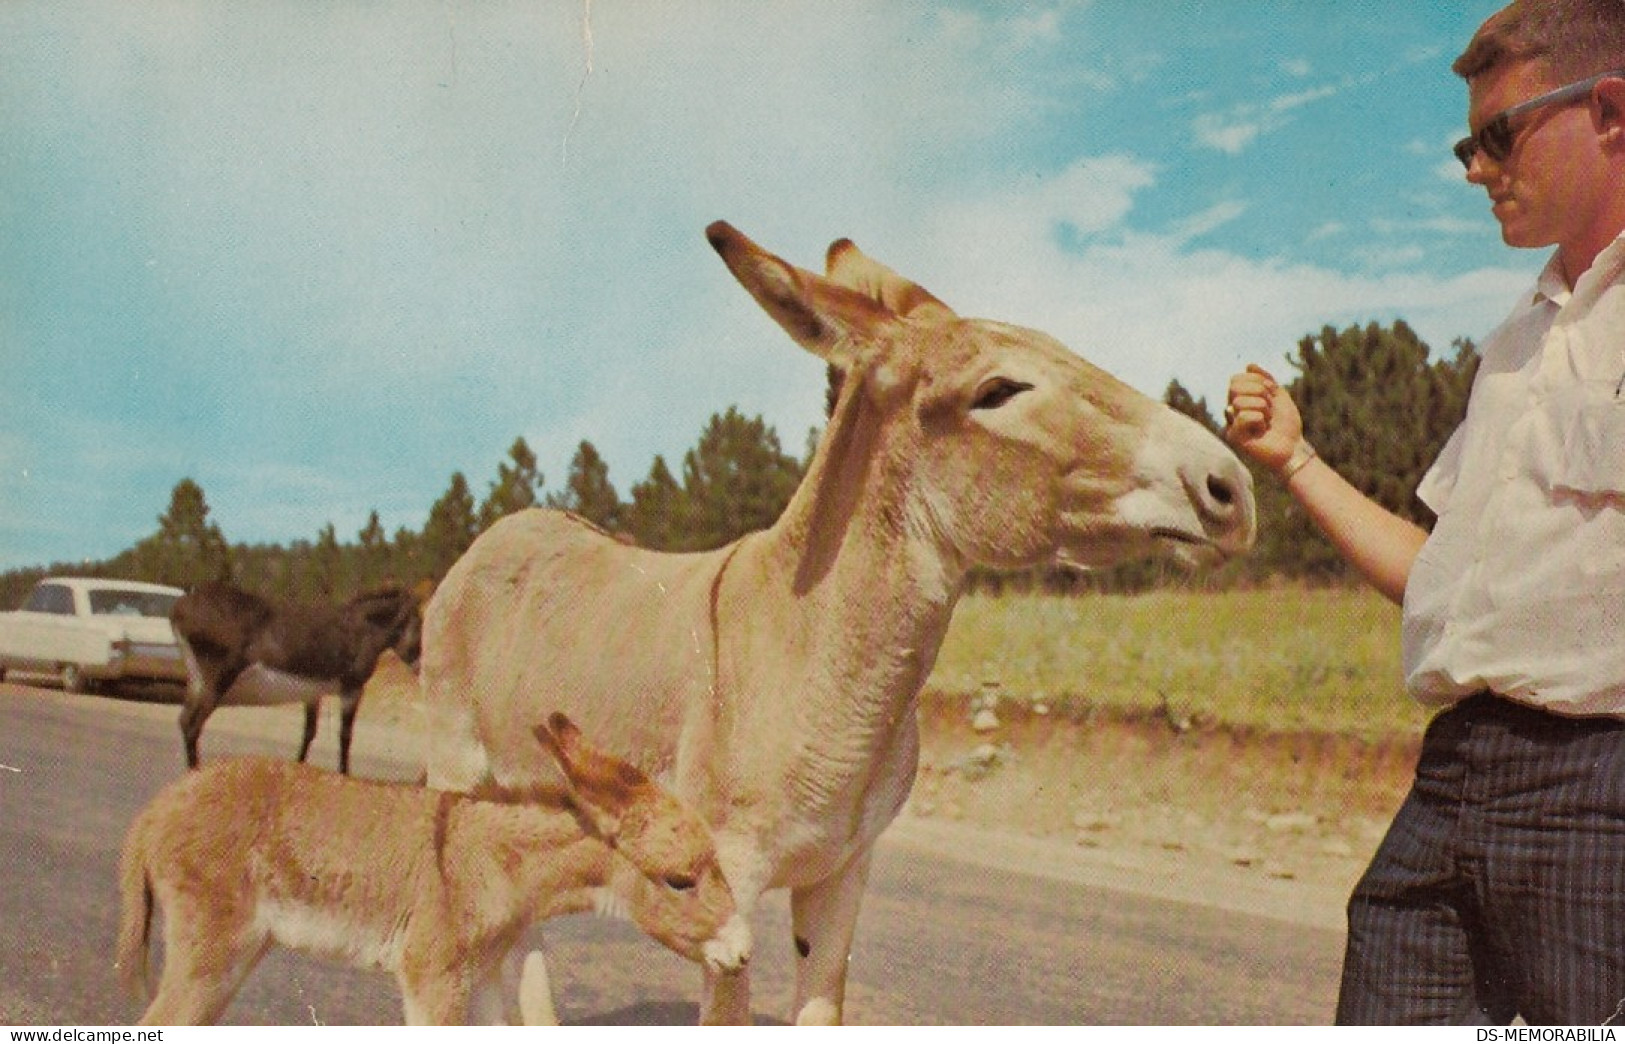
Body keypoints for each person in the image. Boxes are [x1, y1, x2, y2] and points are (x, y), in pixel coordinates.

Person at [1224, 0, 1625, 1025]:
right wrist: (1296, 460)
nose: (1474, 170)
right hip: (1450, 775)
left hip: (1596, 791)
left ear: (1610, 112)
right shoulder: (1511, 347)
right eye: (1465, 143)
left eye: (1495, 136)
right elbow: (1438, 571)